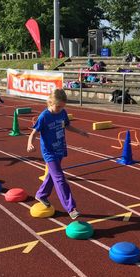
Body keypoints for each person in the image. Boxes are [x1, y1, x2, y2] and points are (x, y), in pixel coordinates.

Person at [27, 89, 88, 220]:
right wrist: (30, 143)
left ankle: (41, 194)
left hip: (60, 148)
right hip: (49, 152)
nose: (60, 109)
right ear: (50, 102)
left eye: (62, 107)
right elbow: (34, 132)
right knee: (60, 178)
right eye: (58, 106)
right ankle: (71, 208)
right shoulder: (44, 116)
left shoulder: (62, 113)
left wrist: (79, 131)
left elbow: (67, 125)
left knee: (51, 175)